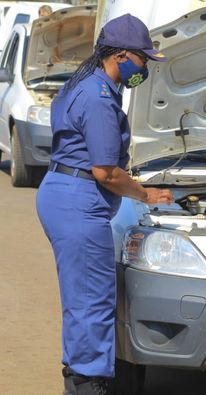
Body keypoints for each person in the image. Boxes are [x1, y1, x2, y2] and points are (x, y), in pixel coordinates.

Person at [36, 14, 173, 395]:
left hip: (64, 193)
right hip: (80, 202)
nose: (144, 67)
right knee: (92, 301)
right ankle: (87, 383)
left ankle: (80, 374)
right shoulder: (98, 98)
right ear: (123, 55)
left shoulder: (85, 83)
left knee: (84, 296)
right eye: (143, 59)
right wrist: (148, 195)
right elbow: (105, 172)